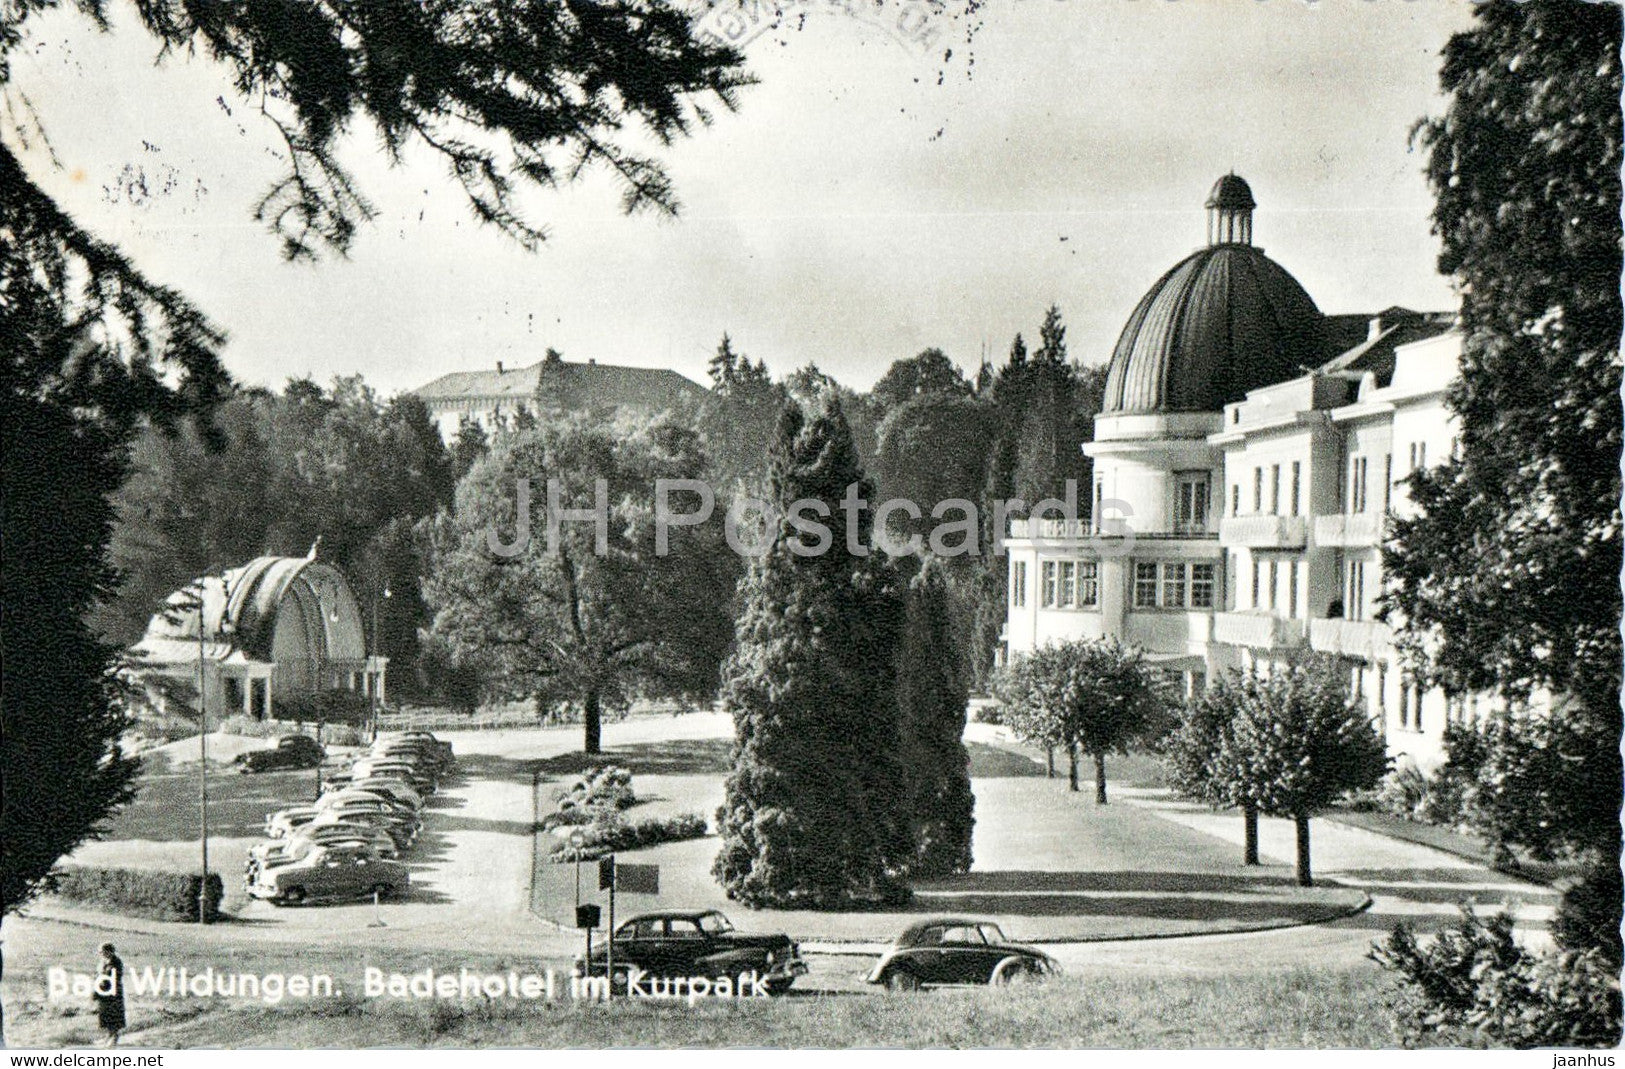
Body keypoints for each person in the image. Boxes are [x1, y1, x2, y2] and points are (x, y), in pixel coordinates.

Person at [94, 943, 126, 1047]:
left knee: (114, 1016)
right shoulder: (104, 962)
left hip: (113, 993)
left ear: (109, 951)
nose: (100, 954)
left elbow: (112, 977)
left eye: (102, 951)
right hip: (104, 992)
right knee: (105, 1015)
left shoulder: (116, 962)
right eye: (100, 952)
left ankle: (114, 1038)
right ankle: (108, 1037)